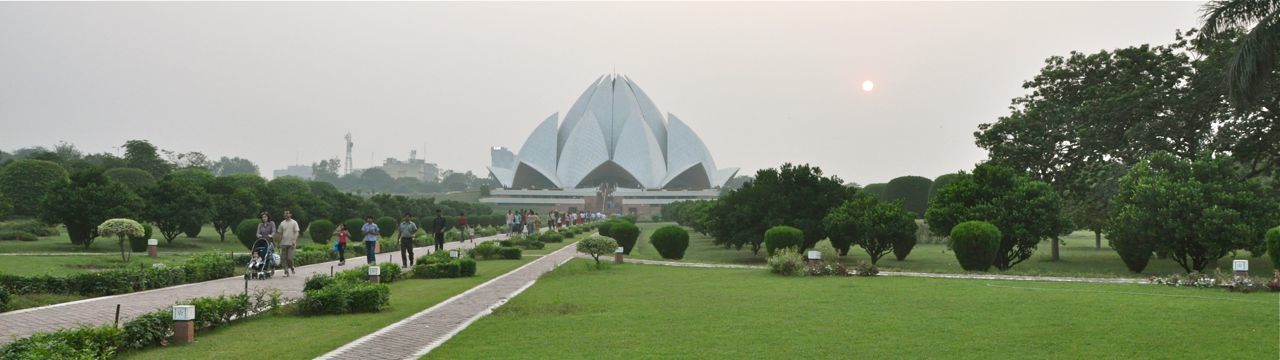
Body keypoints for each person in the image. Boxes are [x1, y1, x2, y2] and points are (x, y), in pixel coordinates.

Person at [277, 210, 300, 276]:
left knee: (289, 258)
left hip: (291, 244)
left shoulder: (294, 222)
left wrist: (294, 240)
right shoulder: (282, 223)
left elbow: (296, 232)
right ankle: (286, 271)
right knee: (283, 259)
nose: (286, 215)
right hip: (283, 243)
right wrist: (278, 243)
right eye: (284, 213)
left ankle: (292, 267)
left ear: (290, 214)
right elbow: (280, 234)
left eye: (287, 213)